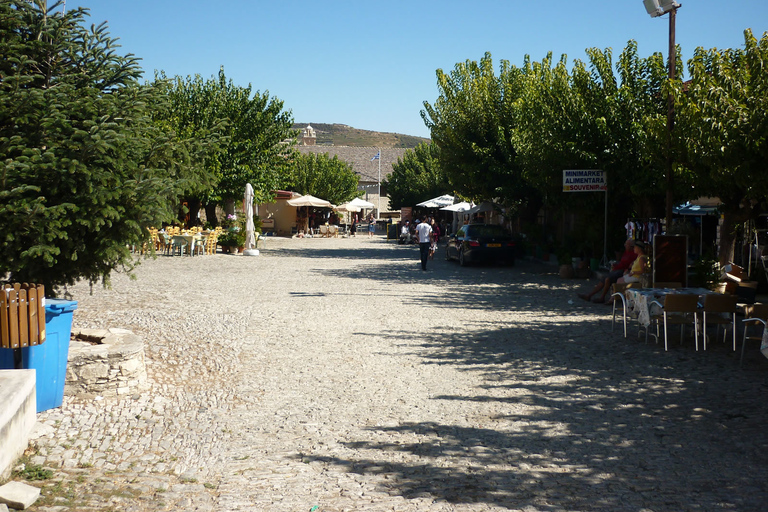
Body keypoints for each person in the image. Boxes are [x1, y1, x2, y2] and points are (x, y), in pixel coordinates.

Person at [578, 239, 637, 303]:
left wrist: (627, 269)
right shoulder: (626, 252)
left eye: (626, 244)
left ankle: (602, 297)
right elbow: (622, 262)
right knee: (603, 279)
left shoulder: (634, 254)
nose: (625, 246)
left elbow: (632, 265)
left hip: (623, 271)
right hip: (617, 269)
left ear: (631, 246)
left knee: (607, 279)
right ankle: (589, 295)